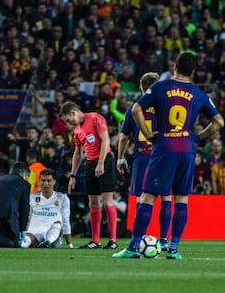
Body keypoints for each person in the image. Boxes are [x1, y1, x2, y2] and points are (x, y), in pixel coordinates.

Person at [113, 52, 224, 259]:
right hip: (187, 149)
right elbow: (219, 122)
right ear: (193, 71)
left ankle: (133, 247)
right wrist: (197, 138)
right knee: (181, 200)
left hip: (165, 147)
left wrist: (147, 134)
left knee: (147, 198)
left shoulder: (161, 87)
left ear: (174, 67)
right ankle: (173, 249)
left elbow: (137, 109)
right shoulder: (199, 94)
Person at [117, 72, 172, 251]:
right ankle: (164, 240)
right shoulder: (165, 106)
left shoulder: (134, 108)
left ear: (141, 88)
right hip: (163, 156)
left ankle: (138, 239)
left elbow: (124, 137)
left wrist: (120, 158)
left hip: (142, 156)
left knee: (142, 199)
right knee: (165, 196)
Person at [60, 101, 118, 250]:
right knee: (93, 202)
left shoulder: (95, 118)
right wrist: (72, 175)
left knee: (107, 201)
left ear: (73, 112)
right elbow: (78, 153)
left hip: (105, 160)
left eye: (68, 120)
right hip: (90, 164)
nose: (69, 123)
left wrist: (101, 163)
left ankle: (113, 240)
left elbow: (105, 140)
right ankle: (95, 240)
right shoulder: (77, 130)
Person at [21, 168, 73, 249]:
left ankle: (47, 242)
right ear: (39, 181)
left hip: (53, 234)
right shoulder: (32, 197)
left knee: (58, 224)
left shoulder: (62, 198)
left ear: (54, 182)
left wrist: (69, 244)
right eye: (43, 180)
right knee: (27, 240)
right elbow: (27, 217)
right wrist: (24, 231)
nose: (45, 184)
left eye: (49, 181)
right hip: (34, 232)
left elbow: (66, 221)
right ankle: (23, 245)